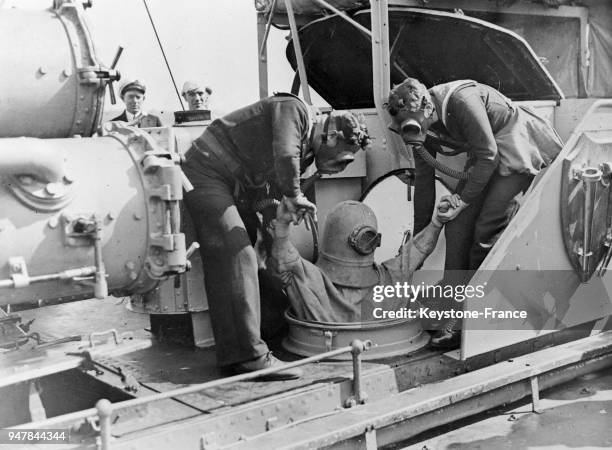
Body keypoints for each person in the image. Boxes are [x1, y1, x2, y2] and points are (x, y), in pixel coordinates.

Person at [182, 93, 370, 380]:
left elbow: (272, 184)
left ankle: (268, 335)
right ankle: (249, 358)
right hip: (207, 171)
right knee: (237, 254)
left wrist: (275, 234)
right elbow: (284, 154)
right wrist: (295, 194)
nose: (341, 168)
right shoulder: (293, 110)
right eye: (343, 160)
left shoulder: (307, 149)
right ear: (331, 135)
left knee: (261, 255)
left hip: (239, 185)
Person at [386, 78, 564, 348]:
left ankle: (469, 322)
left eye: (413, 125)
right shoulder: (421, 125)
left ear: (425, 107)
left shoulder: (460, 101)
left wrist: (464, 200)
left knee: (485, 232)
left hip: (511, 144)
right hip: (484, 156)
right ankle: (452, 310)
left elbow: (490, 155)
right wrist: (420, 246)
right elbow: (424, 184)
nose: (412, 133)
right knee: (456, 226)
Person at [266, 198, 451, 324]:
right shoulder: (389, 282)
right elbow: (417, 251)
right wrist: (437, 223)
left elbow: (285, 259)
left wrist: (282, 226)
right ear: (373, 242)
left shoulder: (313, 286)